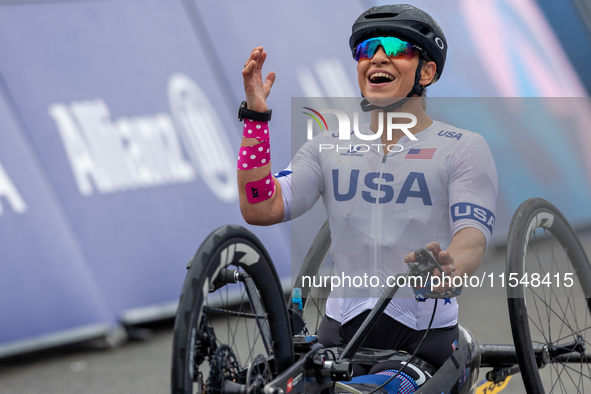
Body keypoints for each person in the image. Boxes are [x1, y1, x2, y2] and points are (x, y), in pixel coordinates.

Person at [237, 3, 497, 383]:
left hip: (420, 345)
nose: (377, 57)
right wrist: (256, 121)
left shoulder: (462, 148)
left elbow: (471, 239)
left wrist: (447, 268)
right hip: (337, 340)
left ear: (427, 71)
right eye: (366, 49)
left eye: (395, 48)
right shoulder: (327, 147)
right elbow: (261, 206)